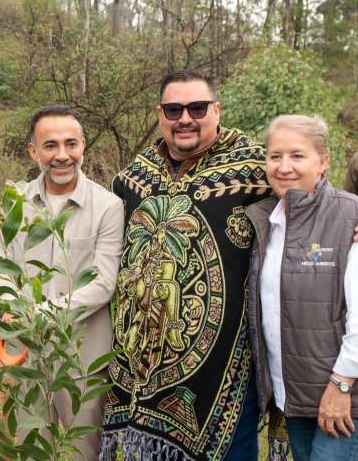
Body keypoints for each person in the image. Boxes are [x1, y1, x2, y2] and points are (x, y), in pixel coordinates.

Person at [100, 71, 266, 461]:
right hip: (141, 369)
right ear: (160, 114)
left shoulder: (256, 168)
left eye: (197, 107)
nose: (185, 118)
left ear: (217, 110)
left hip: (223, 365)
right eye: (174, 109)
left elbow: (312, 195)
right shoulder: (131, 180)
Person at [0, 105, 124, 460]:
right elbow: (1, 268)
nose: (62, 155)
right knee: (28, 446)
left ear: (83, 147)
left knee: (86, 450)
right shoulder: (14, 201)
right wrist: (14, 307)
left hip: (82, 355)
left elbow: (102, 283)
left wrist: (39, 314)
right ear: (34, 151)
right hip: (26, 352)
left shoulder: (107, 206)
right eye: (50, 145)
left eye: (71, 144)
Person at [245, 115, 358, 461]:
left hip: (347, 400)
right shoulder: (267, 221)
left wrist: (341, 385)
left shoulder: (352, 218)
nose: (284, 167)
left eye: (297, 156)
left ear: (323, 161)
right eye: (275, 156)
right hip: (295, 398)